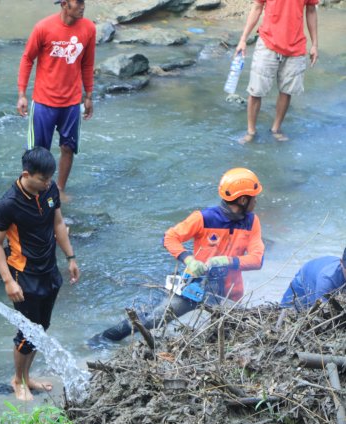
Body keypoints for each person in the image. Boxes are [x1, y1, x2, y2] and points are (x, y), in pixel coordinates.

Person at [96, 168, 265, 342]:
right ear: (243, 200)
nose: (256, 201)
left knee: (232, 332)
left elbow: (257, 259)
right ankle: (103, 338)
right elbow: (170, 237)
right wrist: (188, 259)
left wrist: (227, 261)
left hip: (229, 294)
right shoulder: (203, 218)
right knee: (154, 319)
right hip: (196, 288)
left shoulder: (252, 222)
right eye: (254, 197)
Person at [0, 147, 80, 401]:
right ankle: (17, 380)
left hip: (49, 269)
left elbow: (58, 223)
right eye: (43, 179)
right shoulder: (9, 204)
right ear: (26, 174)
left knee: (41, 329)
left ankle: (27, 377)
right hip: (23, 274)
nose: (48, 183)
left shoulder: (49, 191)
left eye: (50, 178)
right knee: (27, 334)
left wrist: (70, 257)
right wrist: (8, 281)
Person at [17, 0, 96, 195]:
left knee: (68, 148)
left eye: (83, 1)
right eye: (78, 2)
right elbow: (27, 59)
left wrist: (89, 95)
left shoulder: (89, 28)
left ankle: (59, 189)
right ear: (64, 4)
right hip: (44, 102)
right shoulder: (43, 27)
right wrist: (22, 94)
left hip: (71, 103)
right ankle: (32, 192)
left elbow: (87, 63)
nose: (83, 6)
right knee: (38, 152)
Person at [235, 0, 319, 144]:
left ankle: (276, 129)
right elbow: (257, 7)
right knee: (256, 91)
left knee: (287, 91)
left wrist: (315, 44)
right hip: (268, 42)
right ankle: (251, 131)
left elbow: (311, 10)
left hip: (296, 46)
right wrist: (243, 39)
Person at [281, 247, 346, 309]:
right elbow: (321, 309)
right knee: (288, 311)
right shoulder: (327, 280)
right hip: (304, 281)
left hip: (320, 269)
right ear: (341, 263)